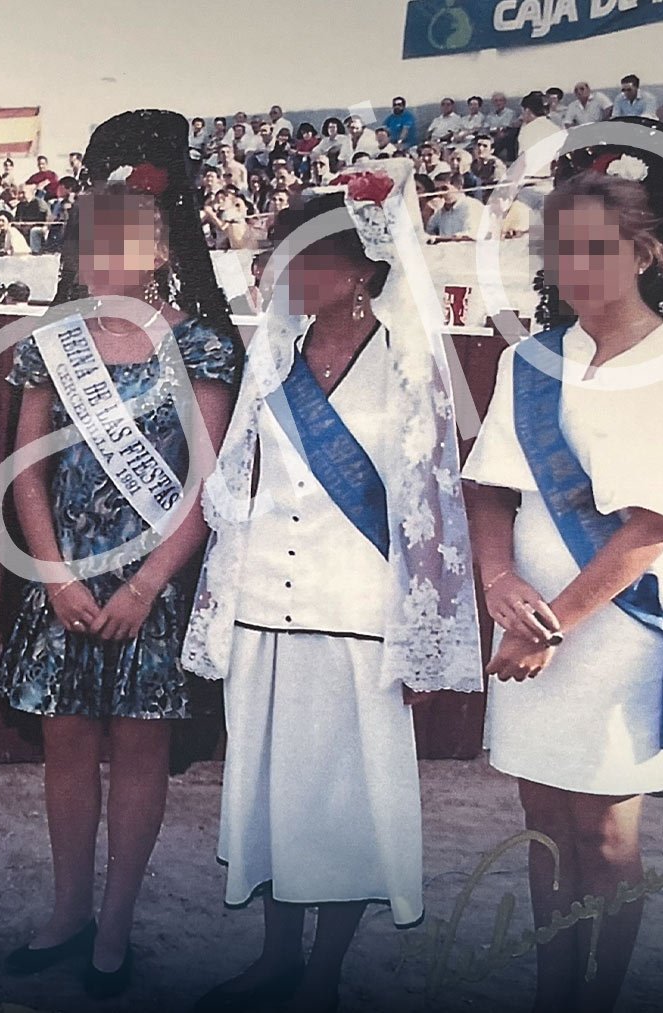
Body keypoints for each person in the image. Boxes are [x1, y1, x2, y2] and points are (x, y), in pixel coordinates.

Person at [461, 136, 663, 1012]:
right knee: (543, 820)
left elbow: (654, 526)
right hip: (525, 625)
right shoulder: (533, 360)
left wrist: (548, 625)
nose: (573, 264)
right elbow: (488, 489)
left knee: (603, 830)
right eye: (560, 247)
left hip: (619, 630)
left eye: (595, 246)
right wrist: (498, 587)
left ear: (643, 253)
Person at [189, 169, 480, 1013]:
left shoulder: (407, 360)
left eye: (305, 258)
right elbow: (239, 486)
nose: (286, 273)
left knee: (346, 800)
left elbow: (430, 502)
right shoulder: (272, 356)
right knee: (270, 792)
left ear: (358, 269)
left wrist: (425, 637)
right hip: (265, 611)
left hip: (357, 615)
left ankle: (324, 975)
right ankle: (279, 958)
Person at [0, 109, 242, 1000]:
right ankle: (65, 911)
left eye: (124, 240)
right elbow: (25, 472)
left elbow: (204, 486)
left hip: (152, 587)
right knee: (66, 750)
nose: (105, 256)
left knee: (138, 753)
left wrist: (145, 584)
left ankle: (117, 919)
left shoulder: (202, 344)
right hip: (62, 582)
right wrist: (54, 571)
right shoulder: (47, 345)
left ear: (162, 247)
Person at [427, 173, 486, 242]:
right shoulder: (440, 211)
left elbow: (469, 237)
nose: (440, 193)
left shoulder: (473, 206)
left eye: (444, 188)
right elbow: (429, 230)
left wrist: (438, 239)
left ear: (459, 187)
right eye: (437, 189)